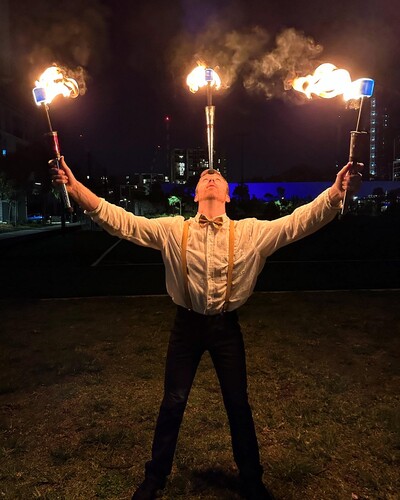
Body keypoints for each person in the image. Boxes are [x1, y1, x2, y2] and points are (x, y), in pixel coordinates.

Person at [52, 158, 361, 500]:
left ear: (227, 195)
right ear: (196, 194)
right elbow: (121, 222)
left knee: (237, 403)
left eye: (217, 176)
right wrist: (75, 188)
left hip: (226, 328)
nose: (210, 177)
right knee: (173, 401)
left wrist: (335, 193)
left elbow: (297, 223)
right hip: (186, 326)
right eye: (203, 177)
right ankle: (155, 477)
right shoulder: (174, 230)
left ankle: (251, 480)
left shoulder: (250, 233)